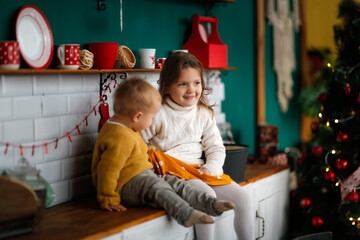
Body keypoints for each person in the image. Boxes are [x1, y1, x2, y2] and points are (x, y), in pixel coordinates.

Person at [92, 77, 235, 228]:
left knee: (174, 183)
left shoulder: (126, 126)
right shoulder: (119, 137)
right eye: (152, 117)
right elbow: (107, 170)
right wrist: (108, 198)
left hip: (140, 176)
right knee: (156, 187)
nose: (152, 121)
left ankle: (210, 204)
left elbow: (132, 153)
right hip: (124, 185)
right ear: (137, 116)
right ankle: (185, 213)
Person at [141, 52, 255, 240]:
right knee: (207, 197)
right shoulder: (158, 113)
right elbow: (138, 143)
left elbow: (216, 147)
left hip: (200, 171)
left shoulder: (203, 113)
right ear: (167, 86)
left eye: (196, 83)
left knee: (244, 198)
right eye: (182, 84)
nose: (191, 89)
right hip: (173, 173)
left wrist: (211, 167)